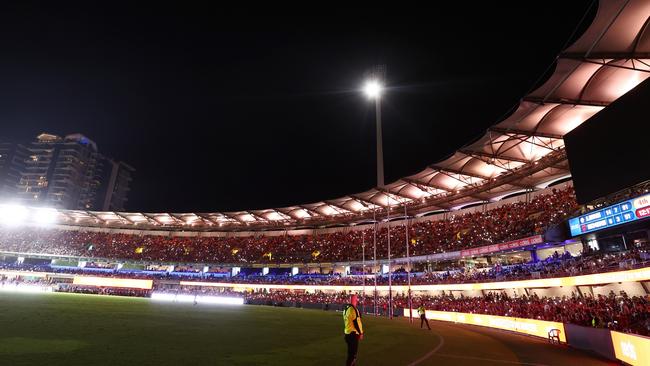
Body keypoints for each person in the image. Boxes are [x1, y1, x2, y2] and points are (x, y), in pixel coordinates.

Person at [343, 294, 363, 366]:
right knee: (353, 355)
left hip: (347, 333)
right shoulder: (353, 309)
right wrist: (361, 333)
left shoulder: (346, 309)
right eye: (356, 299)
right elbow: (356, 322)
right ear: (354, 300)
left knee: (350, 354)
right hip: (353, 334)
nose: (357, 300)